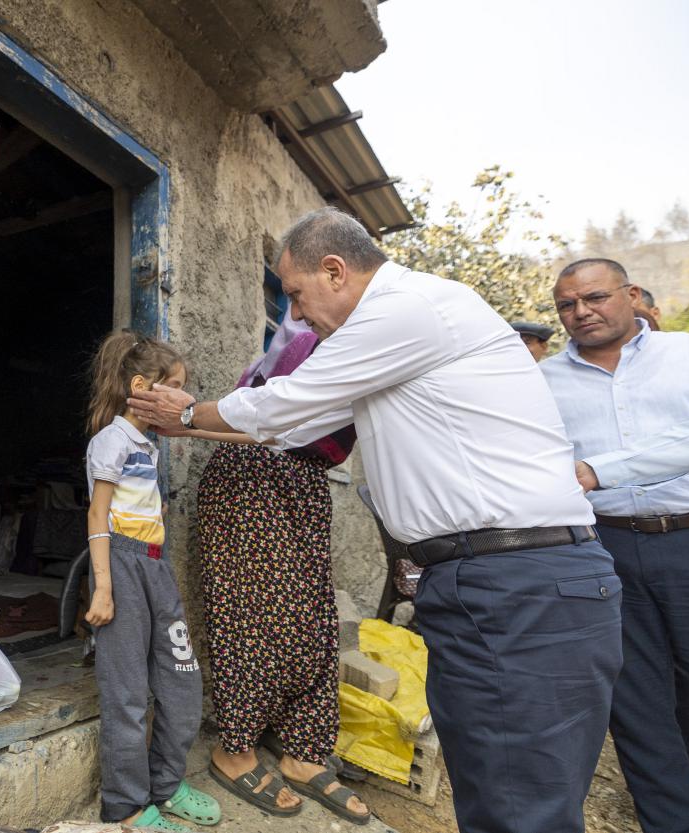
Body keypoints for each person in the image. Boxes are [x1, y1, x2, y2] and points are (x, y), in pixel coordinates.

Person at [130, 206, 622, 833]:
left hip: (516, 578)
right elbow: (294, 425)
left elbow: (287, 404)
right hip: (494, 578)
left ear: (334, 271)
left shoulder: (406, 309)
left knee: (521, 805)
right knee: (497, 793)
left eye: (298, 295)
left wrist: (187, 414)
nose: (297, 316)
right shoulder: (400, 327)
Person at [541, 258, 689, 833]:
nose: (581, 312)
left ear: (631, 294)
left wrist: (598, 470)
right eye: (566, 304)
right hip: (602, 550)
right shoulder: (539, 383)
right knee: (637, 713)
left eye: (596, 297)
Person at [189, 310, 367, 823]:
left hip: (305, 481)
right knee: (251, 620)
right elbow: (269, 418)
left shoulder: (376, 334)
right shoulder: (308, 339)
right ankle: (235, 750)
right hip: (253, 474)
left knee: (312, 625)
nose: (295, 304)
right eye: (290, 293)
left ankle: (301, 751)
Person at [82, 331, 221, 832]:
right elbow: (98, 514)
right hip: (121, 564)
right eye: (175, 388)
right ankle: (129, 808)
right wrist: (103, 586)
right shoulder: (112, 440)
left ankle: (165, 785)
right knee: (127, 694)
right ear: (142, 386)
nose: (182, 398)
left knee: (183, 682)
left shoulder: (149, 444)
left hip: (157, 567)